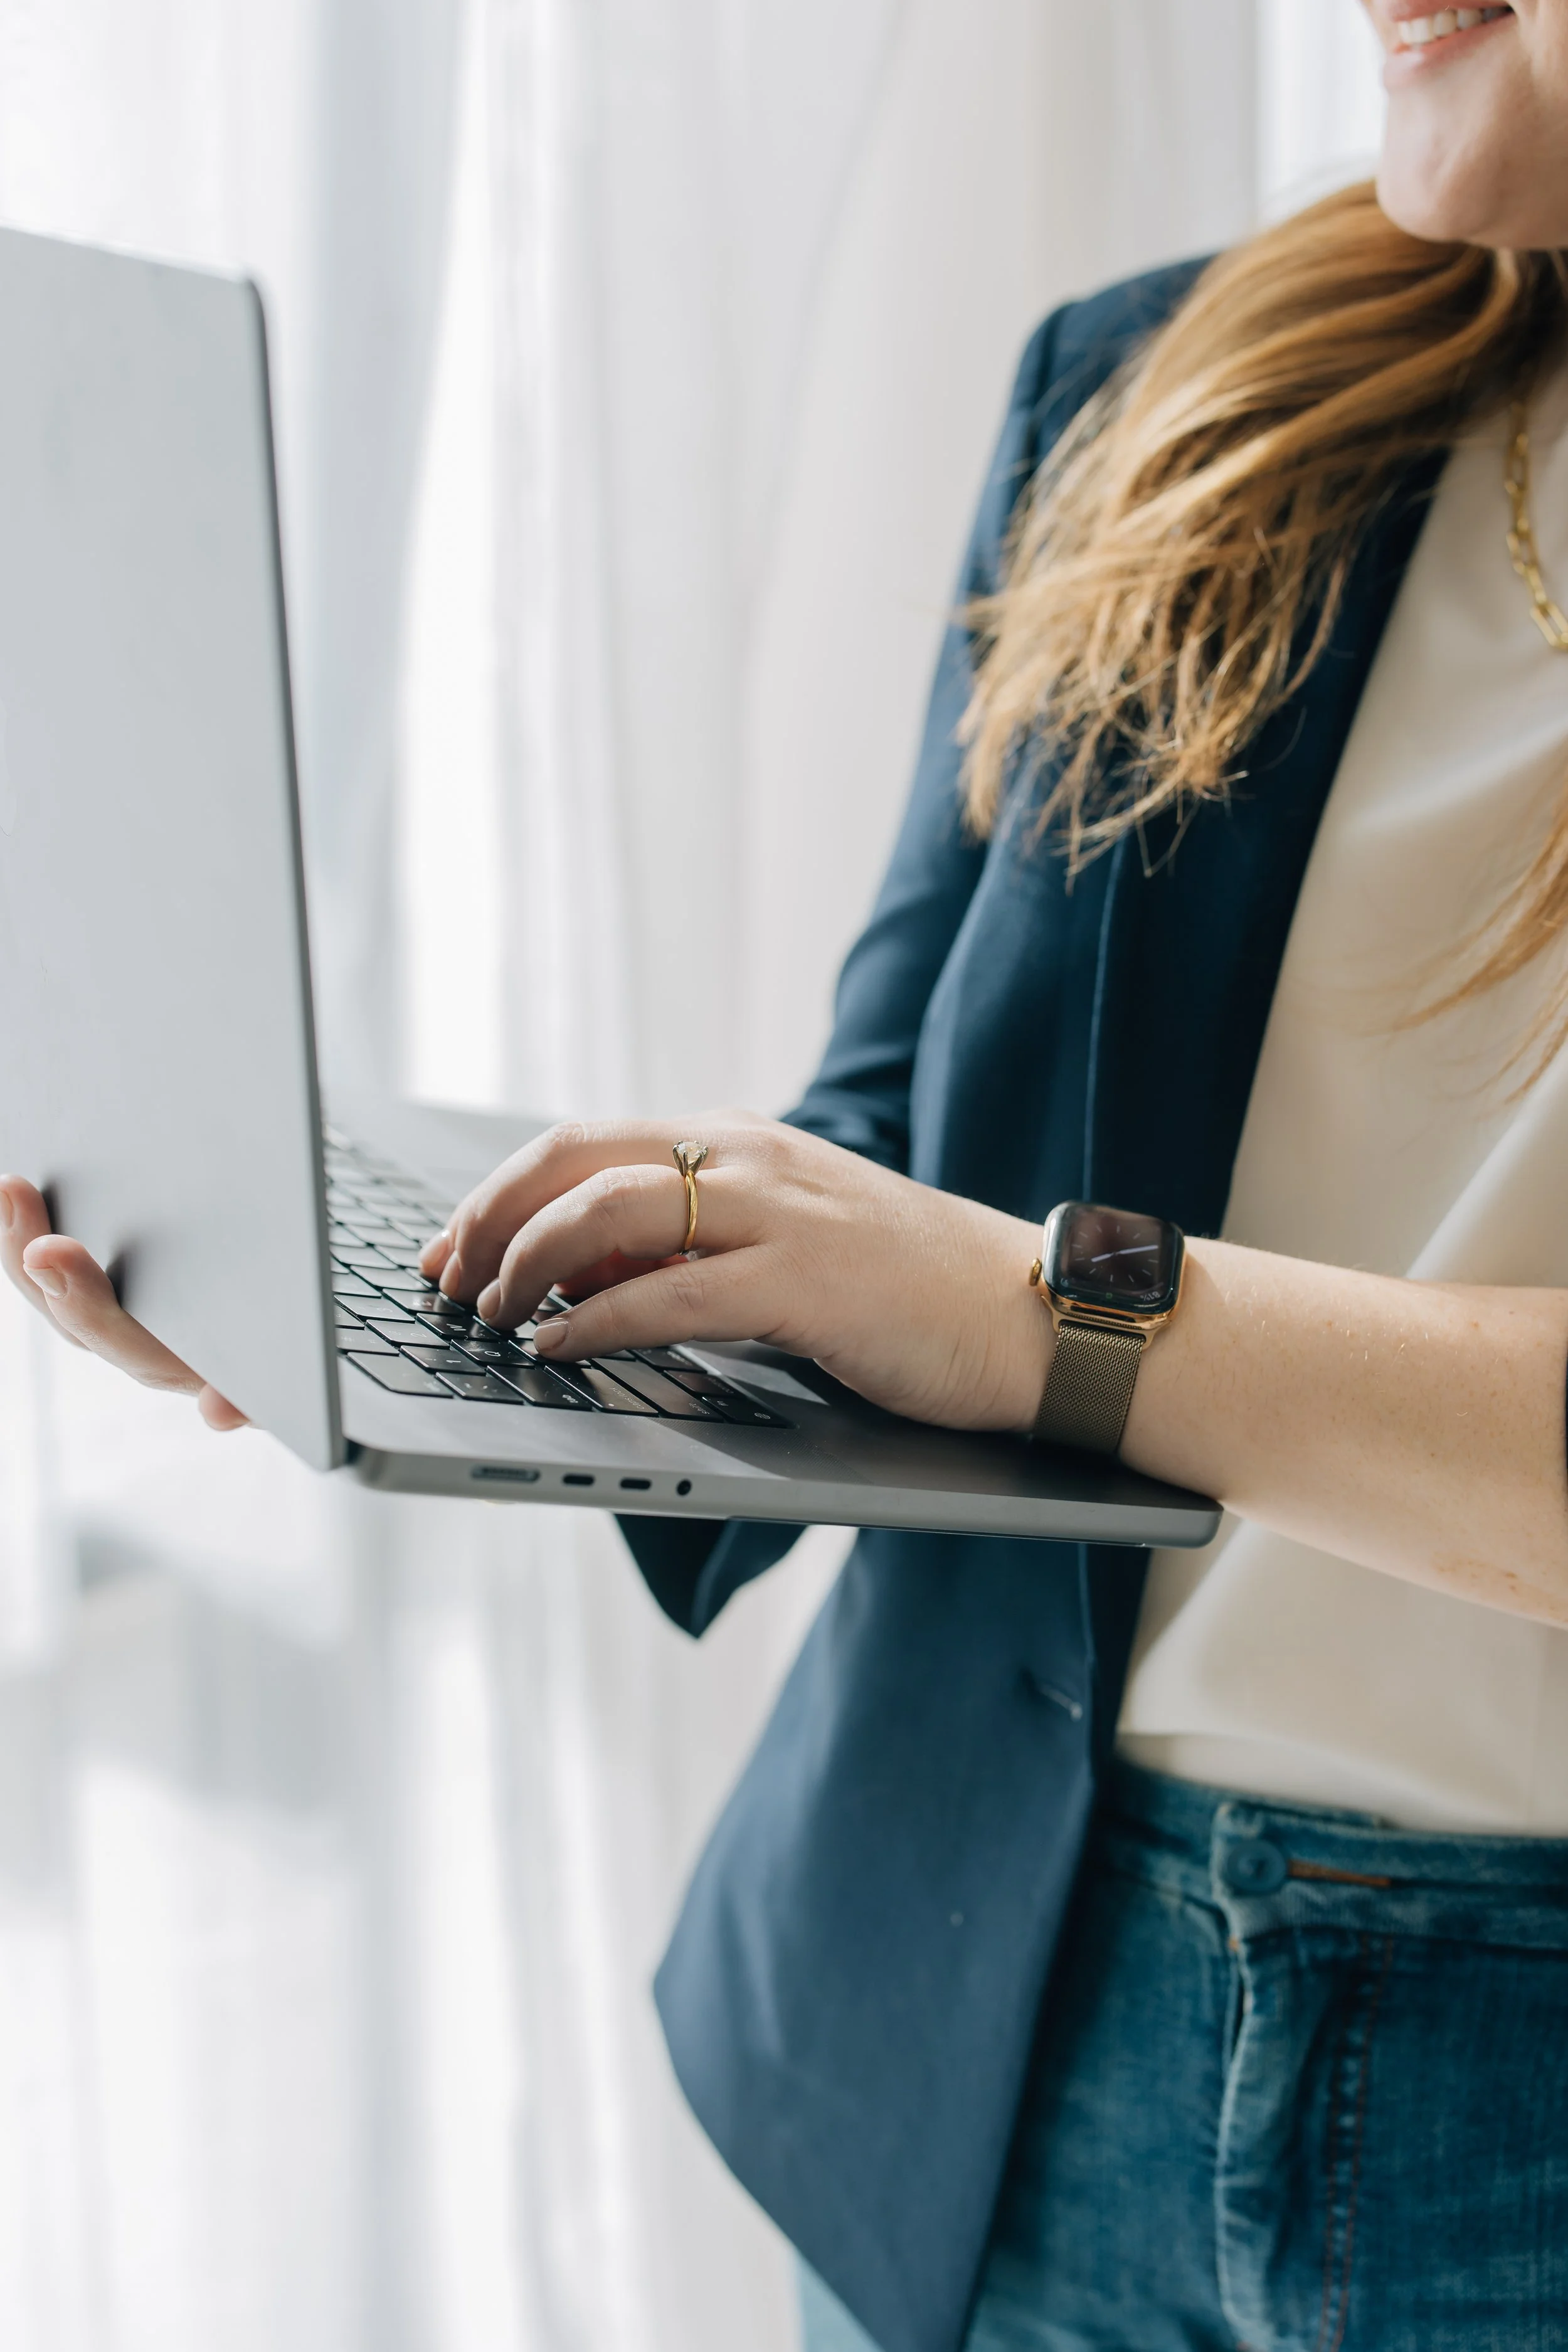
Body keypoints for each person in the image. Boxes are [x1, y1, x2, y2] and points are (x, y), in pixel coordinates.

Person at [7, 4, 1568, 2345]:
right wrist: (434, 1296)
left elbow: (995, 1281)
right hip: (1002, 2024)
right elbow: (898, 1152)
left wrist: (1048, 1309)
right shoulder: (1167, 391)